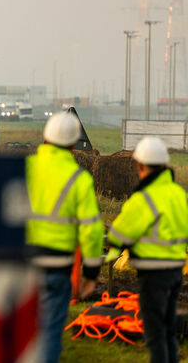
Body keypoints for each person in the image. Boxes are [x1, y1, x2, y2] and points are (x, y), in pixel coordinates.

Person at [26, 112, 103, 363]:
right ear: (73, 145)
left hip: (22, 264)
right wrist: (90, 274)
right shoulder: (79, 180)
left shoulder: (26, 168)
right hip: (57, 267)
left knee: (20, 333)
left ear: (45, 138)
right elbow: (91, 230)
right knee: (49, 333)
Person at [106, 136, 188, 363]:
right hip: (176, 272)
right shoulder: (179, 195)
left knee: (155, 335)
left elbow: (118, 234)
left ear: (140, 165)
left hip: (153, 275)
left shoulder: (143, 198)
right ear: (164, 165)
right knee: (169, 330)